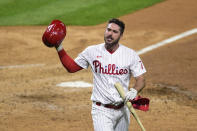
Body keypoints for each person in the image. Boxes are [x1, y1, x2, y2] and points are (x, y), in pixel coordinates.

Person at [55, 18, 146, 131]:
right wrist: (59, 47)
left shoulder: (130, 54)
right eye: (108, 30)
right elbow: (71, 67)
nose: (110, 34)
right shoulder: (92, 51)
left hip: (123, 109)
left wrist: (134, 91)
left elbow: (141, 79)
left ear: (121, 35)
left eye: (115, 32)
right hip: (102, 111)